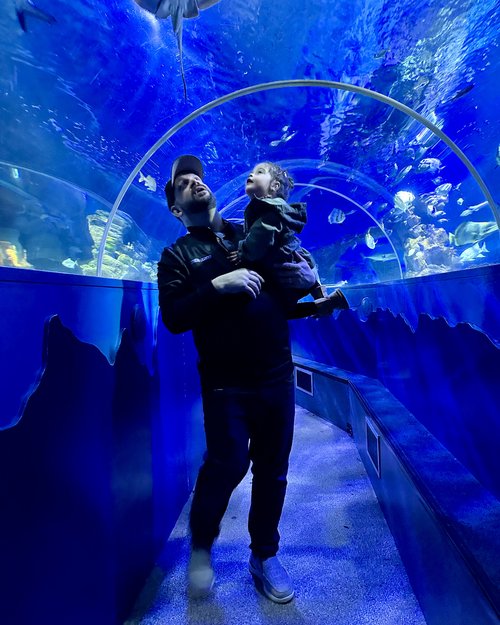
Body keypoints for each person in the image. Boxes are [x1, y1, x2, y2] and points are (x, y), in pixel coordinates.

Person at [157, 155, 344, 603]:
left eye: (198, 178)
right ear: (176, 210)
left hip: (277, 374)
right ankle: (201, 548)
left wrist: (313, 306)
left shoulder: (251, 230)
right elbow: (174, 317)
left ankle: (264, 555)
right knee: (227, 465)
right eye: (184, 184)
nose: (194, 183)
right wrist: (219, 285)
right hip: (226, 383)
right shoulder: (176, 256)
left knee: (273, 468)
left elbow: (278, 298)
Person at [228, 161, 348, 312]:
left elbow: (260, 237)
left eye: (259, 172)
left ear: (275, 186)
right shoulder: (269, 208)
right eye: (252, 172)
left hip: (282, 272)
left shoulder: (268, 210)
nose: (252, 174)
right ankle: (327, 298)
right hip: (293, 260)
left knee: (278, 307)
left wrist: (243, 252)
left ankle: (325, 303)